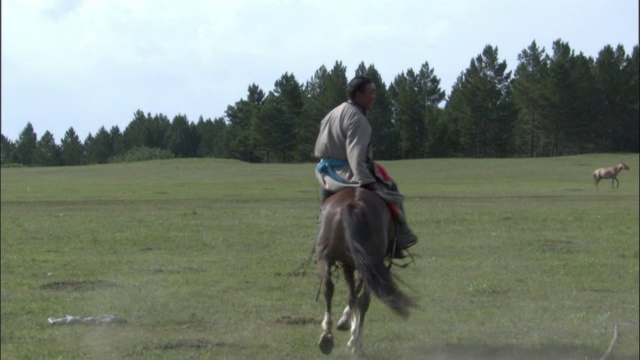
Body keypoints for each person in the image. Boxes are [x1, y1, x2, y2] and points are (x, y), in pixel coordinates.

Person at [314, 76, 418, 258]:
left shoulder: (333, 112)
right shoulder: (358, 119)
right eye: (371, 92)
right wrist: (366, 181)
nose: (374, 96)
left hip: (326, 174)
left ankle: (323, 239)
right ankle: (401, 236)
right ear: (359, 94)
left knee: (325, 208)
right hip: (349, 172)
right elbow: (355, 154)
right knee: (392, 190)